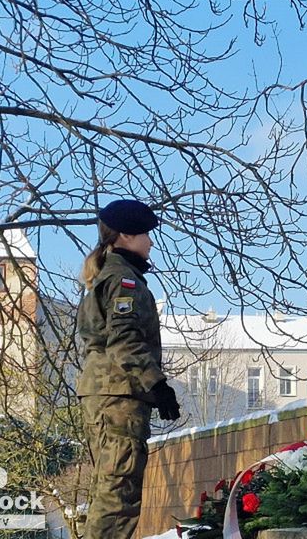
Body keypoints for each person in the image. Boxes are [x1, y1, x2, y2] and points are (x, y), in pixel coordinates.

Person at [77, 199, 181, 538]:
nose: (150, 242)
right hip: (118, 399)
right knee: (117, 497)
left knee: (108, 491)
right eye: (146, 234)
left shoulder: (106, 276)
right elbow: (124, 342)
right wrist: (158, 385)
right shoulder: (124, 281)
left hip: (105, 396)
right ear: (125, 235)